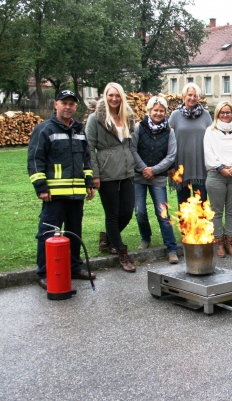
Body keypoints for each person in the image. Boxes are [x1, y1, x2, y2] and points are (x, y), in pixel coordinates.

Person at [28, 90, 97, 289]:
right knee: (49, 234)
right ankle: (44, 272)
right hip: (54, 195)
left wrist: (89, 182)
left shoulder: (79, 130)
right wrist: (41, 187)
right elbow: (35, 160)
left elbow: (86, 159)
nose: (68, 107)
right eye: (64, 103)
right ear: (55, 105)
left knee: (74, 232)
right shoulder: (44, 130)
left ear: (76, 107)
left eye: (71, 104)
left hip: (76, 194)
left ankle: (74, 267)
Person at [86, 82, 136, 272]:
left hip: (127, 171)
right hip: (107, 173)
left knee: (127, 211)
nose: (114, 99)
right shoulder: (95, 119)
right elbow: (89, 148)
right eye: (110, 95)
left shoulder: (127, 116)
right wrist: (94, 175)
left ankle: (107, 238)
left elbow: (130, 143)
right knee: (112, 214)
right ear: (105, 96)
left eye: (117, 95)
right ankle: (121, 253)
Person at [130, 96, 178, 264]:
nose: (158, 113)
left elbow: (171, 156)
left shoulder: (169, 131)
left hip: (158, 178)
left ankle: (172, 248)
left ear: (165, 112)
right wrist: (144, 168)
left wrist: (154, 170)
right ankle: (145, 238)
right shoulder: (138, 128)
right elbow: (133, 149)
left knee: (163, 213)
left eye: (161, 110)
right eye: (155, 110)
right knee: (140, 211)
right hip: (139, 176)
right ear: (149, 111)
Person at [204, 101, 232, 258]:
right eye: (222, 112)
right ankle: (219, 242)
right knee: (216, 211)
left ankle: (230, 241)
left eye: (228, 112)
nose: (225, 115)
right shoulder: (210, 131)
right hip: (216, 175)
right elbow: (208, 152)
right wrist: (221, 168)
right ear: (217, 114)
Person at [168, 83, 213, 206]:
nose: (192, 98)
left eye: (195, 95)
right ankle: (185, 226)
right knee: (183, 204)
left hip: (201, 165)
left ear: (199, 98)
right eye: (190, 95)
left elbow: (213, 137)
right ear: (184, 96)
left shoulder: (205, 115)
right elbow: (167, 138)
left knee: (202, 202)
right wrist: (169, 165)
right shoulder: (175, 115)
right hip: (181, 164)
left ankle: (202, 226)